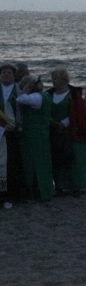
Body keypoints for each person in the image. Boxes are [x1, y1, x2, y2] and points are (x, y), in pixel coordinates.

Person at [47, 68, 86, 195]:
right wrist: (53, 123)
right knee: (57, 158)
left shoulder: (74, 94)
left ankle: (77, 186)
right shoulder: (49, 94)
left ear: (64, 79)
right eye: (53, 78)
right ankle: (60, 186)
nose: (54, 81)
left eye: (57, 78)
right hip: (54, 131)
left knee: (75, 158)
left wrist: (65, 123)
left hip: (72, 130)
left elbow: (79, 112)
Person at [14, 75, 54, 201]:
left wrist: (25, 89)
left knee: (33, 164)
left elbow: (20, 99)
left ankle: (37, 193)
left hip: (33, 135)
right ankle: (45, 191)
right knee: (42, 163)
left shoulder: (35, 97)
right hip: (40, 134)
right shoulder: (44, 96)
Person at [1, 62, 25, 202]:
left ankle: (11, 195)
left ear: (14, 75)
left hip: (13, 132)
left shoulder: (19, 89)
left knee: (12, 163)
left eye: (9, 72)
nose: (6, 75)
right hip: (0, 131)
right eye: (3, 72)